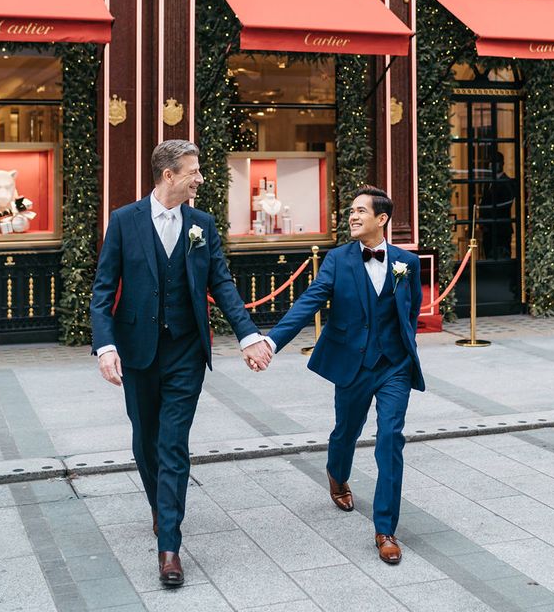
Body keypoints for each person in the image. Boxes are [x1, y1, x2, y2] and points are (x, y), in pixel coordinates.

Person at [90, 139, 271, 587]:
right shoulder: (124, 221)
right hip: (138, 351)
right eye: (193, 170)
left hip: (187, 351)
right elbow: (102, 290)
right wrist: (106, 347)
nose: (201, 178)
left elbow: (222, 282)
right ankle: (160, 504)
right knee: (144, 439)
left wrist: (248, 334)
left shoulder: (202, 225)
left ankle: (169, 545)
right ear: (168, 175)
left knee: (173, 444)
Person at [265, 186, 423, 565]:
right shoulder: (337, 260)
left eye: (360, 211)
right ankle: (337, 474)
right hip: (353, 365)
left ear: (381, 219)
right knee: (346, 432)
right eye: (350, 211)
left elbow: (412, 311)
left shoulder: (407, 263)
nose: (352, 217)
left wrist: (399, 348)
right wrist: (272, 342)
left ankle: (385, 530)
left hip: (394, 366)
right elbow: (309, 301)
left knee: (390, 438)